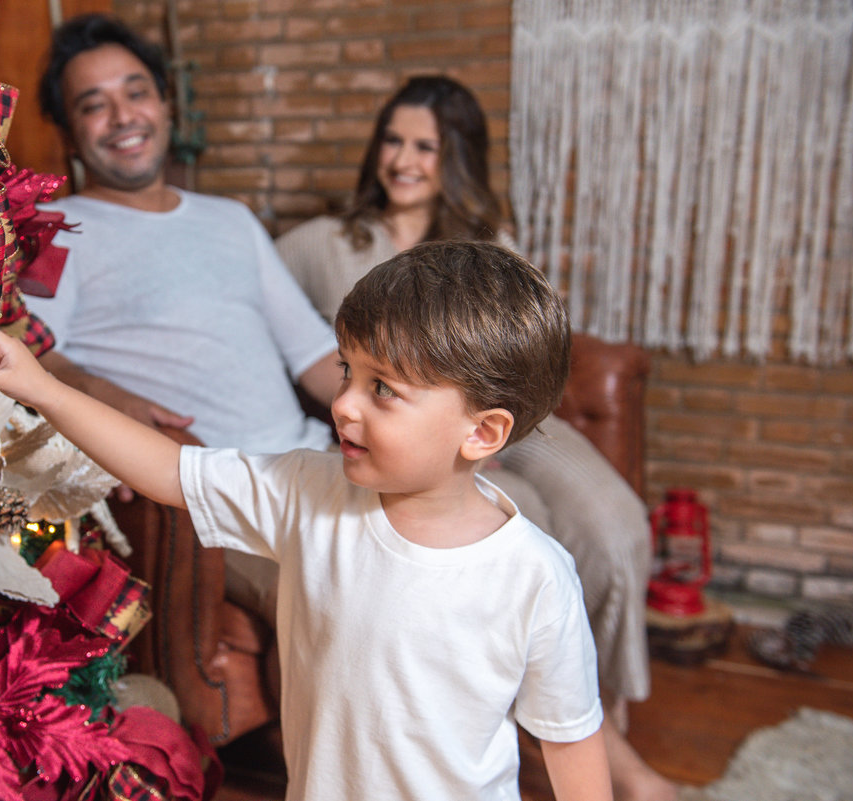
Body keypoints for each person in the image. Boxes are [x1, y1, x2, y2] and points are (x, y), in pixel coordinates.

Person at [0, 240, 612, 801]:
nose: (345, 405)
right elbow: (166, 468)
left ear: (482, 431)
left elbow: (571, 741)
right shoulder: (305, 491)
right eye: (348, 371)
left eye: (383, 389)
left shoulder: (536, 578)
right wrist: (40, 387)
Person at [275, 76, 676, 801]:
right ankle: (524, 728)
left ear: (455, 157)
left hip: (509, 423)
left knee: (616, 528)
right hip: (423, 445)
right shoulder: (325, 243)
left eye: (425, 146)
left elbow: (531, 351)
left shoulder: (489, 245)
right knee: (524, 534)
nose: (403, 158)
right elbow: (264, 310)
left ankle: (597, 717)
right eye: (392, 140)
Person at [28, 13, 342, 617]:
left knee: (497, 529)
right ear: (69, 133)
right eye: (95, 105)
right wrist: (104, 396)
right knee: (342, 597)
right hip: (215, 492)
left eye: (136, 92)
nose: (123, 117)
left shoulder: (230, 219)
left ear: (166, 105)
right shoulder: (56, 229)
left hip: (312, 462)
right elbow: (34, 349)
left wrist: (399, 408)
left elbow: (313, 352)